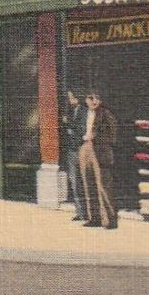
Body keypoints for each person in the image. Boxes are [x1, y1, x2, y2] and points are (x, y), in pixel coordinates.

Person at [77, 89, 119, 229]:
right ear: (86, 99)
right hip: (85, 148)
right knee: (88, 184)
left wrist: (95, 138)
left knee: (103, 185)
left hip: (100, 150)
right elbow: (75, 129)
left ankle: (110, 219)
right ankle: (94, 218)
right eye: (91, 98)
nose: (94, 101)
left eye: (97, 98)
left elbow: (113, 136)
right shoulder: (82, 114)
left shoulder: (106, 114)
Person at [65, 91, 88, 220]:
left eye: (72, 97)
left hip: (80, 149)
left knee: (83, 181)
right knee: (74, 182)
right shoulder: (70, 111)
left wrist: (71, 129)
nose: (70, 100)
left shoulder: (84, 112)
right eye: (69, 98)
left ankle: (88, 212)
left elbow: (82, 130)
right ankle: (80, 212)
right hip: (71, 150)